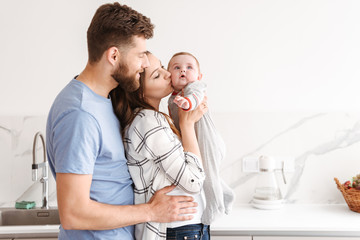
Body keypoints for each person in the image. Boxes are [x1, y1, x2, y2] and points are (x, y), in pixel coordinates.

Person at [46, 3, 197, 240]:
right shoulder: (80, 114)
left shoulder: (102, 101)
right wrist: (150, 211)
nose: (146, 64)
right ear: (114, 55)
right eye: (140, 56)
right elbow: (73, 213)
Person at [111, 52, 210, 239]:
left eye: (163, 67)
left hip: (183, 227)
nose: (167, 74)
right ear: (138, 91)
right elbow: (193, 181)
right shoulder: (148, 122)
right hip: (178, 229)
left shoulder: (154, 118)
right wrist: (187, 125)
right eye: (156, 75)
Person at [167, 52, 235, 225]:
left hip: (208, 139)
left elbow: (195, 99)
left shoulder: (195, 88)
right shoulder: (171, 99)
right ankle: (226, 194)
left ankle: (214, 209)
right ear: (169, 77)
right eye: (177, 68)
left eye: (189, 67)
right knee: (209, 175)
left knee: (209, 176)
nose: (183, 70)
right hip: (196, 142)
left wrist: (187, 103)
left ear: (199, 76)